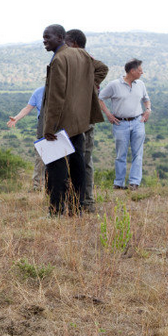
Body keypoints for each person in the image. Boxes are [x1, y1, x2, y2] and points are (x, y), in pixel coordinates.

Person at [41, 24, 104, 215]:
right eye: (44, 37)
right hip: (79, 121)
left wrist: (49, 127)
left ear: (61, 38)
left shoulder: (59, 59)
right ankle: (77, 207)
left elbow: (56, 97)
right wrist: (86, 87)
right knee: (78, 164)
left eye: (48, 37)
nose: (44, 41)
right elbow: (101, 68)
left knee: (56, 168)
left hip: (61, 123)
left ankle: (56, 209)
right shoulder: (82, 54)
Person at [64, 29, 108, 212]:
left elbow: (103, 67)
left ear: (74, 44)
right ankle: (76, 199)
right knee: (76, 160)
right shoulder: (75, 60)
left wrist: (87, 84)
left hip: (84, 118)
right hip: (75, 117)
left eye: (66, 42)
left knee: (83, 159)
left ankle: (86, 200)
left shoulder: (85, 59)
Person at [98, 58, 151, 191]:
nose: (142, 73)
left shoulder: (140, 84)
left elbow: (146, 99)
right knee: (120, 154)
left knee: (138, 154)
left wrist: (148, 110)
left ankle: (134, 183)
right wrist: (108, 114)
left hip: (138, 121)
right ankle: (119, 183)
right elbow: (100, 98)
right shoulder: (114, 85)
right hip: (120, 123)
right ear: (132, 71)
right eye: (140, 70)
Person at [7, 85, 46, 190]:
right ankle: (38, 186)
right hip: (43, 127)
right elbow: (28, 108)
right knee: (40, 157)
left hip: (60, 128)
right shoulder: (39, 92)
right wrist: (16, 118)